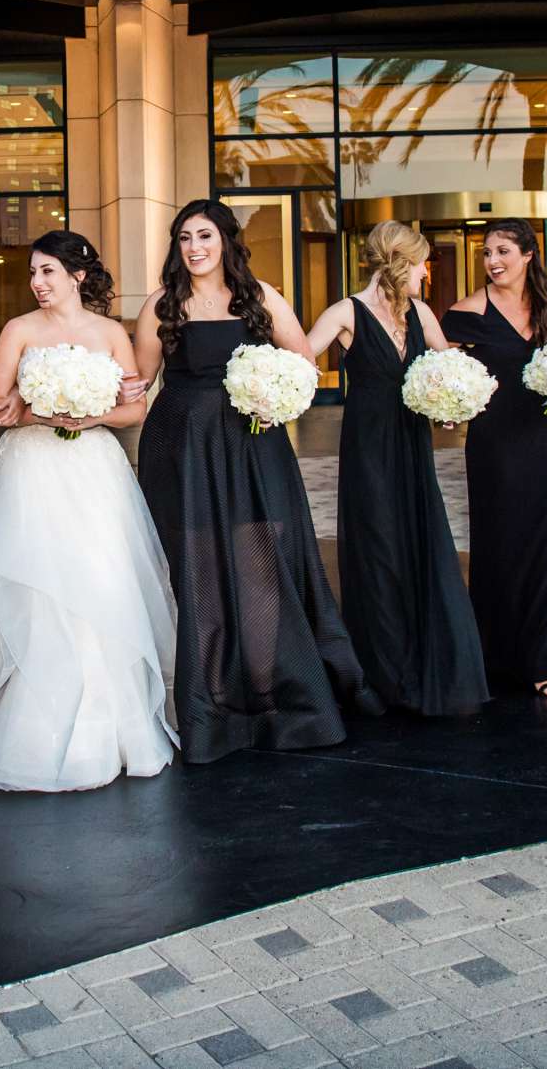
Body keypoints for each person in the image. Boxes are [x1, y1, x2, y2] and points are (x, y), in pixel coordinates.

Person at [134, 199, 378, 762]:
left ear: (225, 240)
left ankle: (276, 698)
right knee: (197, 571)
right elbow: (141, 381)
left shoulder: (261, 297)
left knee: (261, 563)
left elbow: (302, 367)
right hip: (182, 447)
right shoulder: (161, 304)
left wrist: (272, 400)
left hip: (252, 443)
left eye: (204, 236)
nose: (194, 248)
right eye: (185, 238)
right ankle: (212, 707)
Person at [0, 230, 176, 792]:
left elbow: (133, 411)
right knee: (36, 589)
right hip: (30, 473)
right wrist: (42, 412)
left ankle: (109, 736)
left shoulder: (111, 333)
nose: (37, 283)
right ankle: (28, 738)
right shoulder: (18, 330)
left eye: (48, 272)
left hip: (94, 473)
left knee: (100, 586)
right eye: (33, 273)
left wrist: (90, 417)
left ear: (77, 276)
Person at [305, 220, 487, 716]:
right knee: (378, 548)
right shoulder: (347, 311)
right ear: (403, 263)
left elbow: (449, 368)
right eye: (424, 261)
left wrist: (455, 401)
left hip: (412, 446)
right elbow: (300, 359)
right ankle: (382, 674)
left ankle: (425, 663)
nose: (428, 272)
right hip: (367, 449)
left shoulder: (423, 313)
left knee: (418, 544)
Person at [443, 220, 547, 698]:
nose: (492, 260)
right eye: (486, 253)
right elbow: (442, 373)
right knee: (500, 544)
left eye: (502, 250)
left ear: (528, 255)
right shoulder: (465, 312)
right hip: (495, 446)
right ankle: (497, 654)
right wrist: (446, 407)